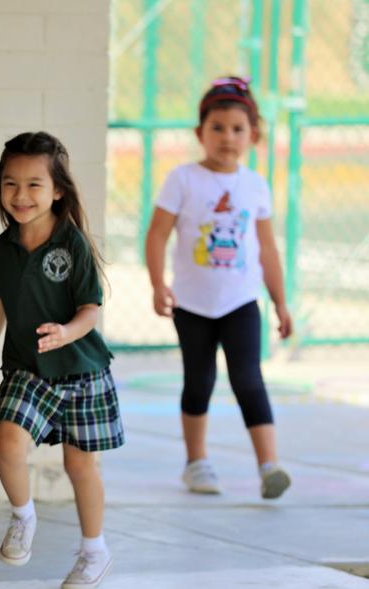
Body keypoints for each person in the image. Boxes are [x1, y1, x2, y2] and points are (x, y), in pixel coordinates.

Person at [0, 132, 123, 589]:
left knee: (80, 466)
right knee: (9, 442)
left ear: (57, 190)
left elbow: (91, 310)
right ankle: (23, 517)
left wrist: (66, 332)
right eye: (10, 183)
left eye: (34, 184)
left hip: (82, 370)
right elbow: (0, 303)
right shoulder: (0, 250)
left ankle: (95, 552)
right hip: (26, 368)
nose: (20, 195)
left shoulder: (72, 244)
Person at [144, 76, 293, 500]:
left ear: (253, 135)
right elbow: (157, 234)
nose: (228, 137)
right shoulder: (183, 179)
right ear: (200, 133)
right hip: (192, 305)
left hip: (242, 302)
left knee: (249, 378)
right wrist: (158, 284)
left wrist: (280, 302)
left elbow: (266, 248)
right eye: (218, 128)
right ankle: (197, 463)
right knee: (200, 380)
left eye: (237, 129)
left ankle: (269, 466)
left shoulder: (255, 185)